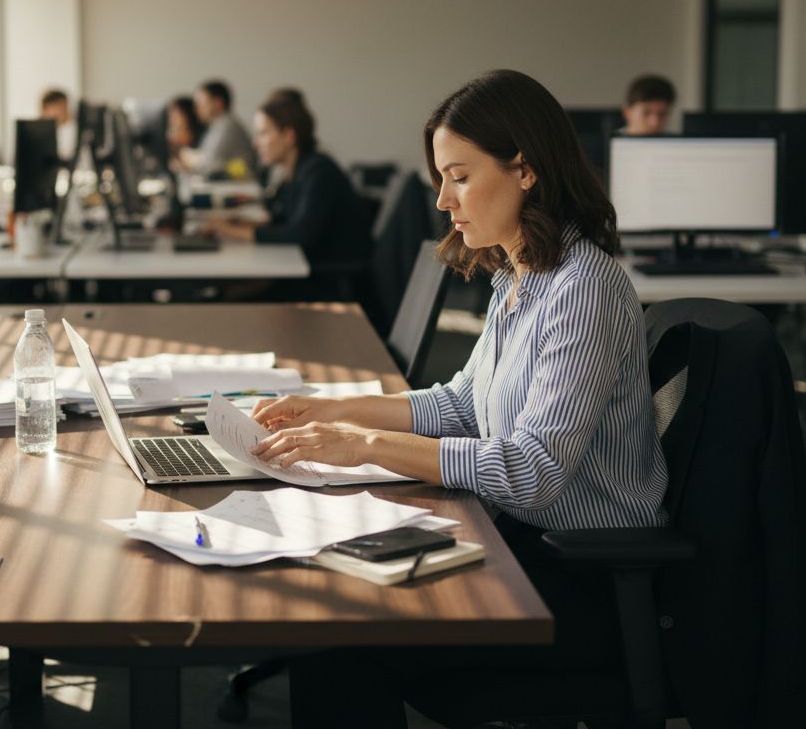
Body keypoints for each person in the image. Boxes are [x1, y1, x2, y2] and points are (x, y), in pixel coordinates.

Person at [251, 70, 668, 728]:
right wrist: (330, 410)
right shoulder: (521, 273)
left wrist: (363, 446)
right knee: (331, 608)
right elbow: (459, 406)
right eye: (440, 178)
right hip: (518, 544)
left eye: (460, 175)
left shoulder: (582, 288)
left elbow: (532, 473)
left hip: (579, 581)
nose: (444, 199)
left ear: (525, 171)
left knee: (339, 642)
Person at [199, 91, 367, 273]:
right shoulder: (298, 169)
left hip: (329, 277)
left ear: (288, 136)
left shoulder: (318, 171)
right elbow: (283, 219)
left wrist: (228, 230)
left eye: (263, 133)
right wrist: (242, 223)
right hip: (311, 268)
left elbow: (300, 234)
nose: (255, 144)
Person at [176, 79, 257, 178]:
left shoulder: (227, 126)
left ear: (218, 103)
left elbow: (208, 165)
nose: (197, 109)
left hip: (240, 187)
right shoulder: (217, 126)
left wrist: (190, 158)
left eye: (201, 104)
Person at [40, 87, 76, 158]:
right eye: (52, 108)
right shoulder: (39, 130)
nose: (56, 112)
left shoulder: (74, 129)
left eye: (60, 108)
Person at [165, 95, 203, 161]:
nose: (172, 119)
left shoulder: (201, 136)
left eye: (176, 114)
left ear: (187, 115)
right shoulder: (170, 137)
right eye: (171, 115)